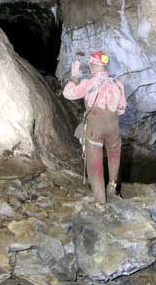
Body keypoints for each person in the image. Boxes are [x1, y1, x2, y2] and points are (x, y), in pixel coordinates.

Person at [63, 51, 126, 206]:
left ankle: (100, 203)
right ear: (104, 65)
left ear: (93, 65)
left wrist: (74, 77)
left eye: (91, 64)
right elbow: (122, 109)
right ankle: (112, 185)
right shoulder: (118, 84)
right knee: (114, 155)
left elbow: (67, 93)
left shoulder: (88, 83)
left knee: (95, 164)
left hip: (95, 130)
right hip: (113, 129)